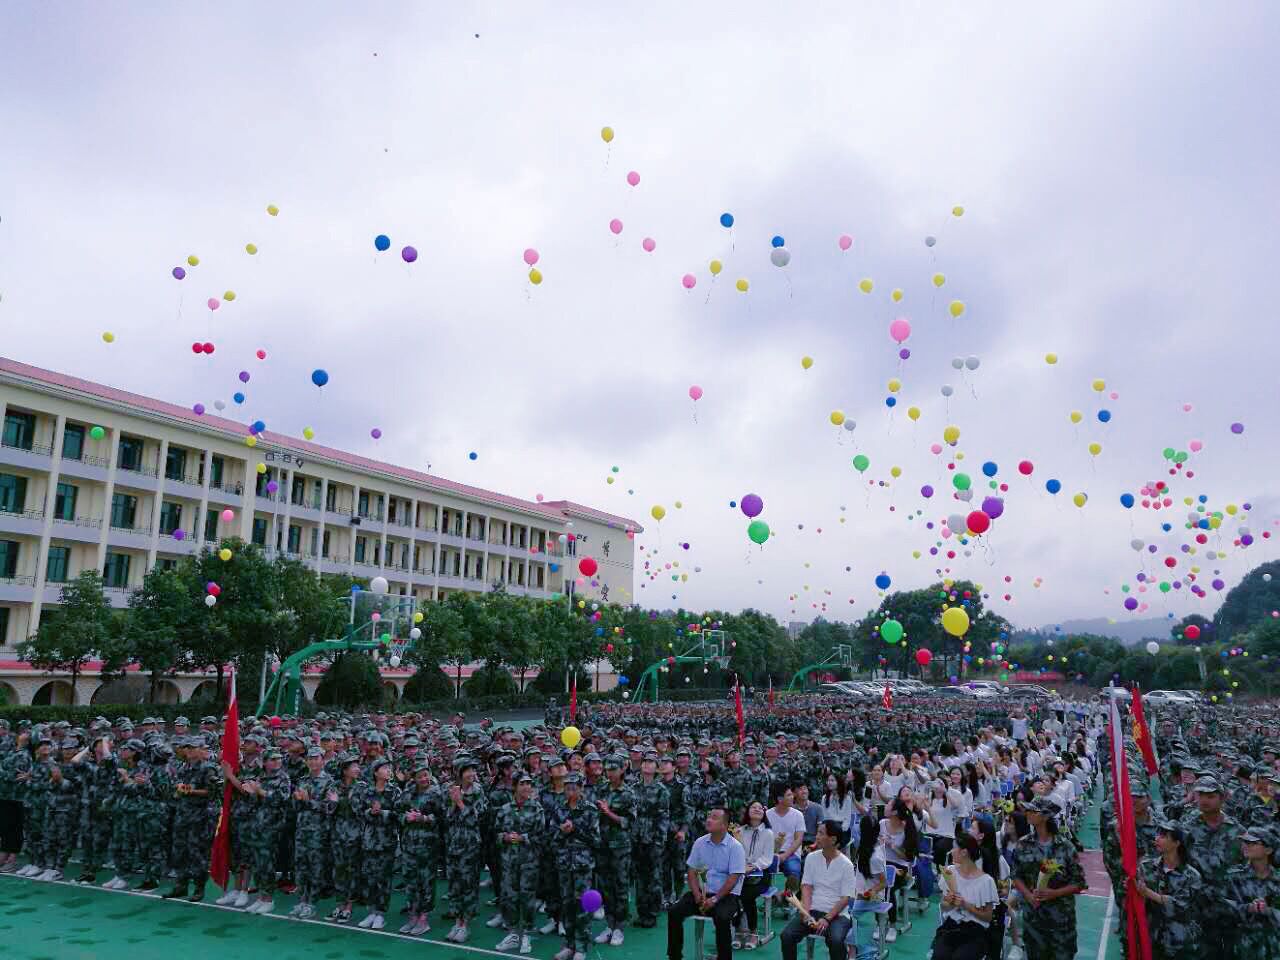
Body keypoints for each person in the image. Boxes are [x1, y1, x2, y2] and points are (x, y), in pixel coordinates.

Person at [1010, 797, 1086, 960]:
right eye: (1027, 810)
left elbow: (1079, 883)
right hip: (1034, 919)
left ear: (1045, 816)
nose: (1028, 814)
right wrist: (1029, 896)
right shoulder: (1023, 844)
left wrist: (1054, 893)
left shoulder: (1065, 846)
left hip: (1061, 920)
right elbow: (1016, 875)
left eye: (1033, 811)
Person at [666, 807, 745, 960]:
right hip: (701, 893)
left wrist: (715, 899)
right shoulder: (700, 842)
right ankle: (674, 956)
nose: (709, 819)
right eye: (709, 816)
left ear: (724, 824)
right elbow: (691, 871)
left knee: (722, 918)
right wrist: (696, 894)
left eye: (714, 817)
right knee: (674, 911)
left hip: (726, 896)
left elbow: (733, 879)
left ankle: (724, 957)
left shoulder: (735, 847)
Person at [780, 820, 855, 960]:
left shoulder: (847, 865)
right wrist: (806, 912)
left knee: (836, 940)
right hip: (813, 910)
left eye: (821, 833)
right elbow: (807, 887)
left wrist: (827, 919)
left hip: (837, 915)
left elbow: (846, 898)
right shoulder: (811, 857)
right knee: (787, 935)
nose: (816, 837)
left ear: (833, 840)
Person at [1133, 819, 1202, 960]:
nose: (1157, 838)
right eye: (1158, 834)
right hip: (1151, 938)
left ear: (1177, 843)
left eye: (1164, 836)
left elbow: (1179, 907)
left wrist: (1147, 893)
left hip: (1179, 943)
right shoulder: (1146, 867)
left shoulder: (1192, 876)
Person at [493, 772, 544, 954]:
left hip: (529, 861)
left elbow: (541, 835)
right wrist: (505, 837)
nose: (526, 787)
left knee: (528, 898)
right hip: (509, 861)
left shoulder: (537, 809)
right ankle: (513, 933)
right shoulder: (505, 809)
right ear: (514, 786)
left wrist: (523, 838)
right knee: (509, 897)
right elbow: (496, 834)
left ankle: (527, 934)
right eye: (522, 783)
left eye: (529, 783)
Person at [551, 772, 600, 960]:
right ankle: (569, 945)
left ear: (581, 789)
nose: (570, 791)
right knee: (567, 904)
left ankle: (581, 947)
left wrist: (576, 830)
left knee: (583, 906)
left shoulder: (589, 810)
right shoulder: (559, 809)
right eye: (567, 788)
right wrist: (562, 832)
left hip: (582, 864)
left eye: (574, 788)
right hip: (564, 863)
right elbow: (552, 840)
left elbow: (596, 840)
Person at [931, 833, 999, 960]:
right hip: (951, 928)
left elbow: (988, 917)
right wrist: (949, 902)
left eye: (954, 848)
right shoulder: (950, 872)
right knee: (939, 956)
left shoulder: (986, 881)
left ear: (964, 852)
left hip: (976, 933)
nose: (951, 851)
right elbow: (943, 906)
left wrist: (966, 906)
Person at [1223, 825, 1280, 960]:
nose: (1245, 845)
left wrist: (1269, 911)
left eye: (1252, 843)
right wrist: (1248, 908)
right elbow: (1221, 907)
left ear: (1268, 850)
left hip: (1275, 947)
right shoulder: (1233, 876)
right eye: (1245, 842)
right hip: (1244, 948)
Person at [734, 800, 775, 950]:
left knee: (746, 895)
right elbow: (737, 853)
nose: (757, 809)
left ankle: (752, 931)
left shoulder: (768, 833)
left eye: (760, 808)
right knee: (733, 892)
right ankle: (739, 929)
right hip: (741, 872)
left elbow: (767, 858)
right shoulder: (740, 830)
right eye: (753, 807)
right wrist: (742, 866)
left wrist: (752, 867)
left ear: (764, 813)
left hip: (760, 874)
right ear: (747, 812)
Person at [878, 797, 920, 942]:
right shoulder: (882, 824)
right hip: (881, 863)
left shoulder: (907, 828)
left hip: (901, 867)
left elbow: (908, 858)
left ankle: (892, 925)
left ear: (895, 811)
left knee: (887, 887)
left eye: (888, 805)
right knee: (875, 885)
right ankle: (880, 923)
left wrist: (892, 845)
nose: (885, 806)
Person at [767, 785, 806, 898]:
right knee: (763, 872)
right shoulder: (768, 815)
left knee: (794, 870)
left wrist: (784, 855)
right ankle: (771, 898)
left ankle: (789, 900)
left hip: (791, 853)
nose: (793, 796)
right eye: (788, 795)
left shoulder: (798, 815)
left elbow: (799, 839)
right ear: (779, 799)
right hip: (770, 853)